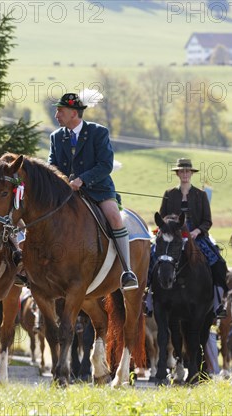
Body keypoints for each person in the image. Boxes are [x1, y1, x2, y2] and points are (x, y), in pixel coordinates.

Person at [47, 91, 138, 291]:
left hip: (98, 189)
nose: (56, 115)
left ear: (73, 113)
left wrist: (82, 179)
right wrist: (60, 181)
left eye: (60, 111)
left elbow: (105, 165)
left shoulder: (98, 132)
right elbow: (52, 165)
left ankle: (127, 270)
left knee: (114, 217)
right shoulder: (55, 136)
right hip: (66, 193)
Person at [158, 158, 229, 319]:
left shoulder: (201, 194)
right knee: (152, 257)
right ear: (177, 173)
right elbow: (162, 217)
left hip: (196, 236)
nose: (184, 174)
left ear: (191, 173)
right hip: (173, 236)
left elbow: (207, 220)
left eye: (187, 171)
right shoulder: (169, 194)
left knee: (219, 262)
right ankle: (148, 299)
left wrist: (197, 231)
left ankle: (218, 304)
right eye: (181, 171)